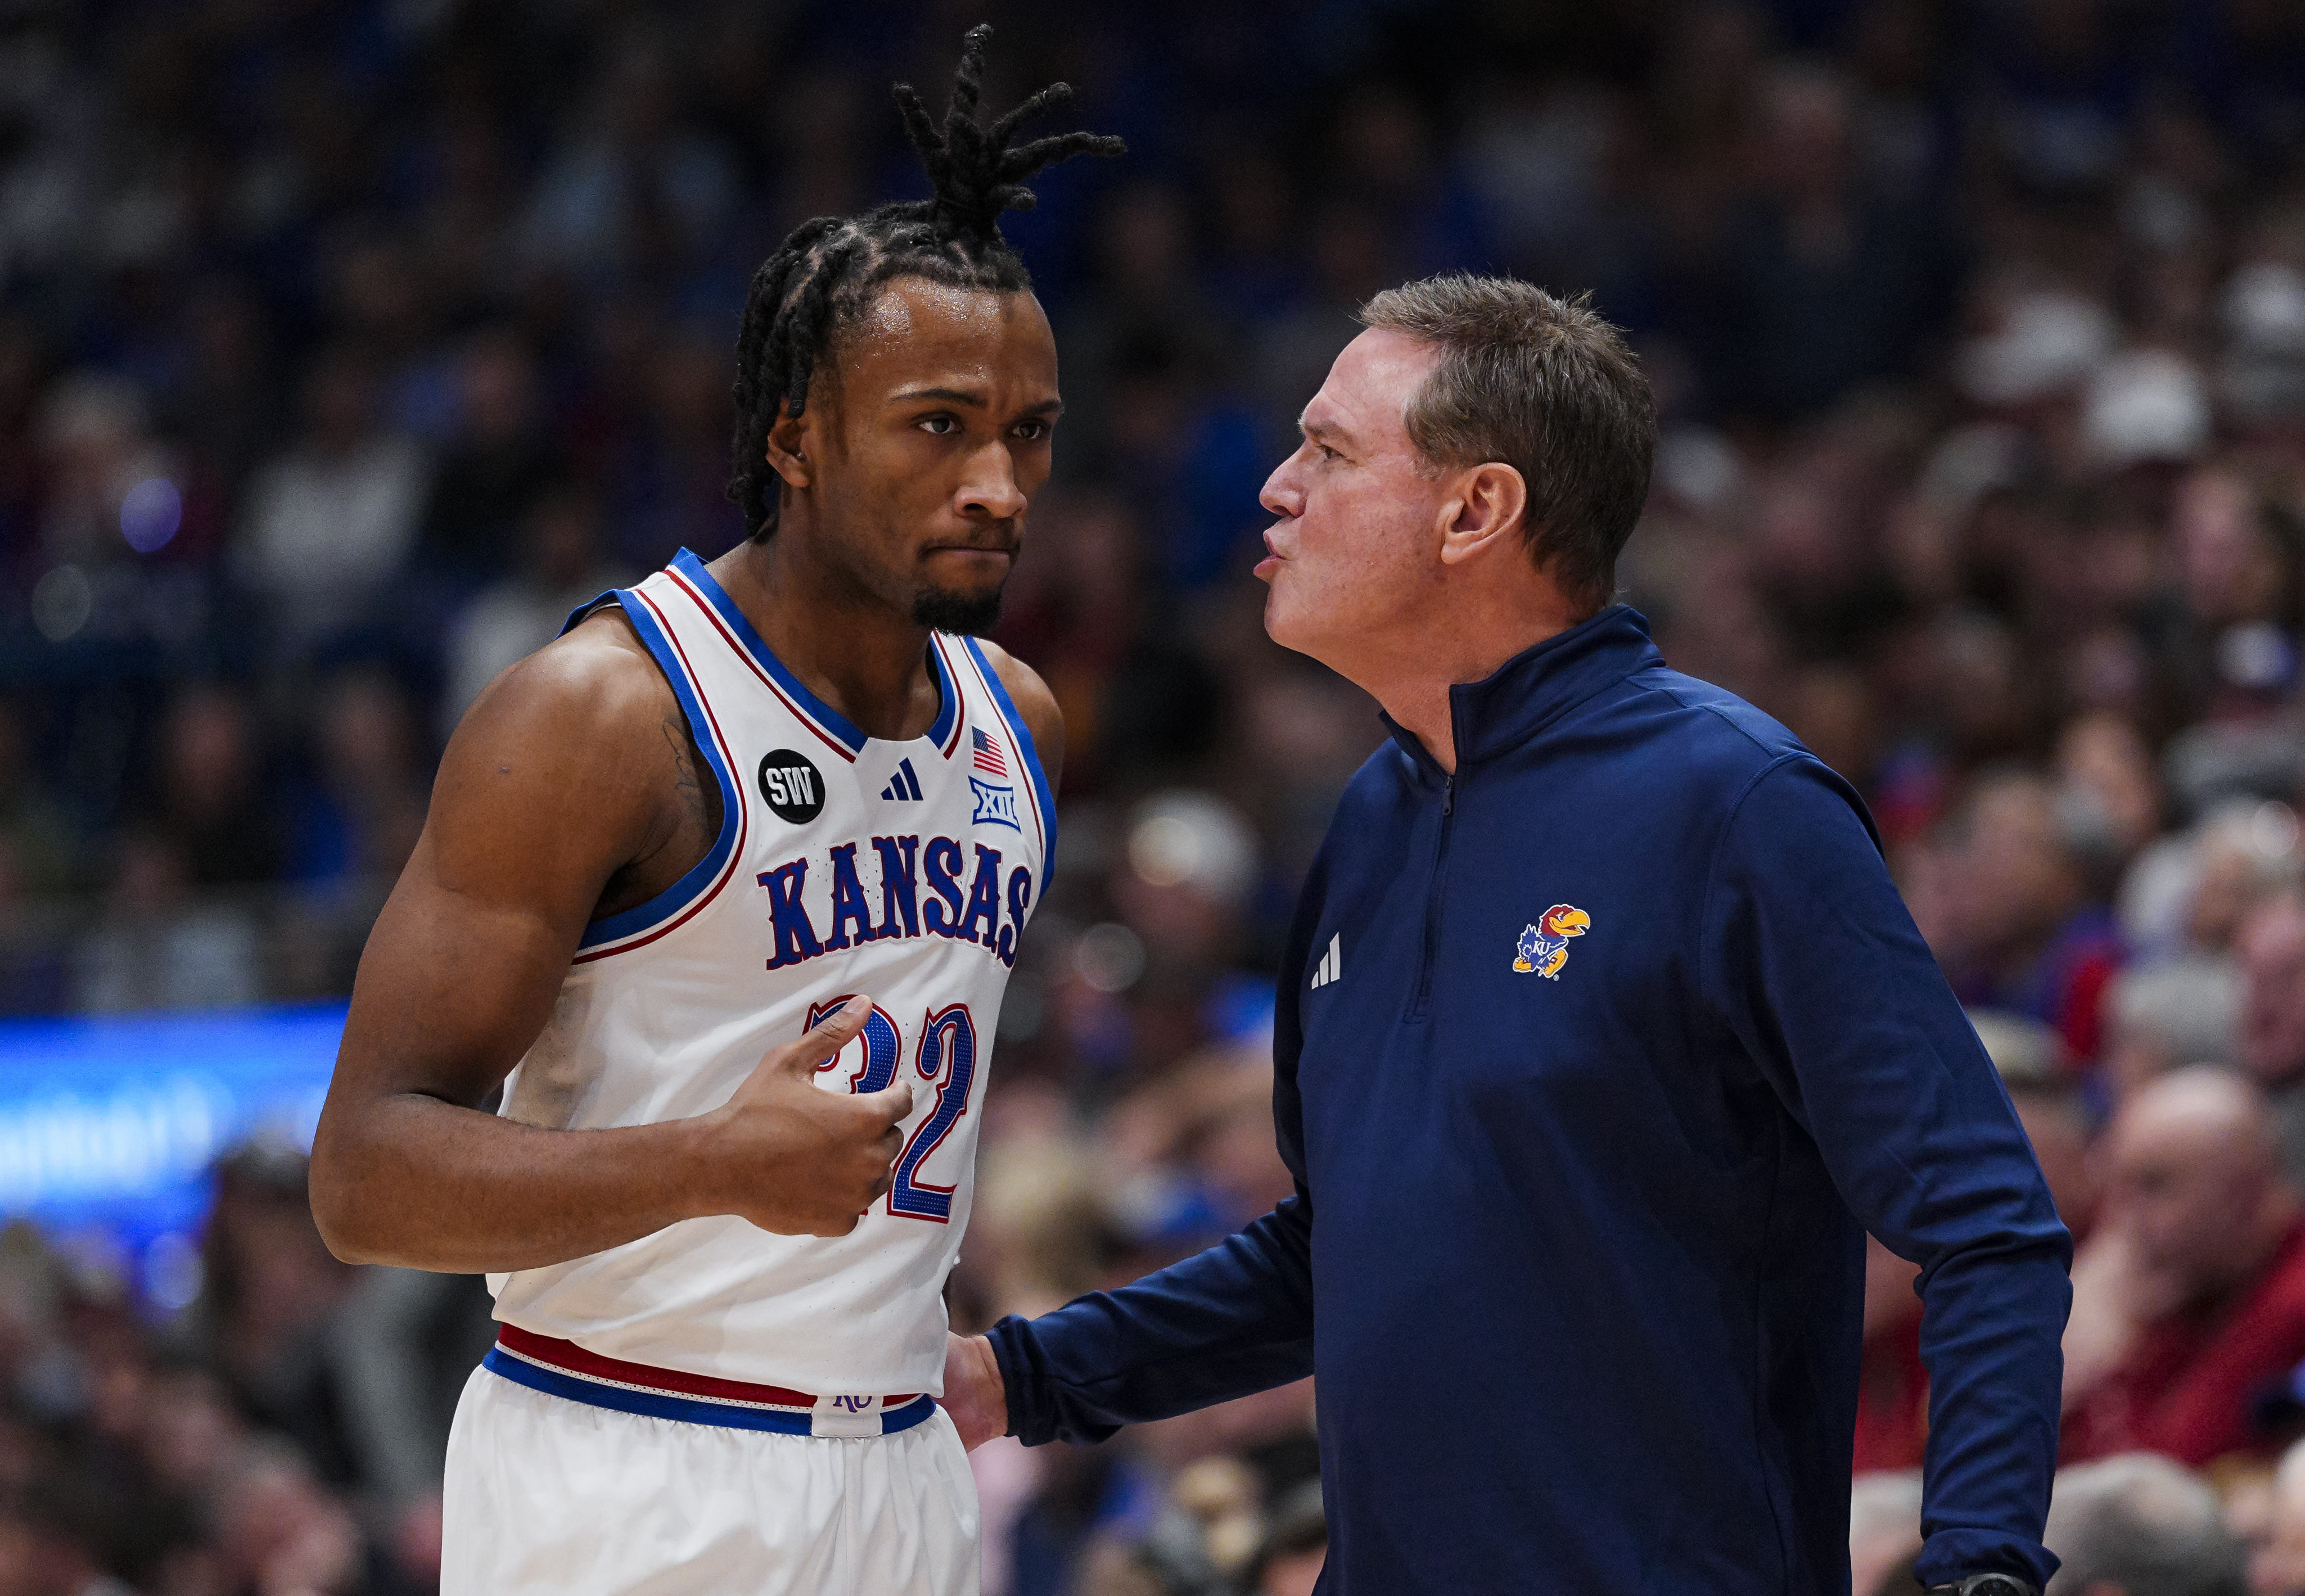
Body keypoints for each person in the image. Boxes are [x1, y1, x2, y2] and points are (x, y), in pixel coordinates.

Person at [940, 275, 2073, 1594]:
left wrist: (1980, 1565)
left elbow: (1986, 1221)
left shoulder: (1735, 805)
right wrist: (1015, 1375)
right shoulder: (1368, 818)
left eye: (1329, 450)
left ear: (1475, 508)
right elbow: (1337, 1248)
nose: (1275, 486)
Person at [308, 29, 1120, 1595]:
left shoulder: (1019, 718)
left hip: (902, 1466)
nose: (1002, 484)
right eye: (938, 423)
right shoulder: (599, 713)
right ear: (793, 435)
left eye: (1030, 431)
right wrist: (710, 1163)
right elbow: (363, 1174)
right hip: (627, 1465)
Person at [2063, 1069, 2305, 1468]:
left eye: (2153, 1186)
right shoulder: (2188, 1282)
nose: (2121, 1218)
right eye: (2116, 1186)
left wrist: (2118, 1340)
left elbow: (2157, 1484)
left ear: (2242, 1197)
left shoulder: (2291, 1300)